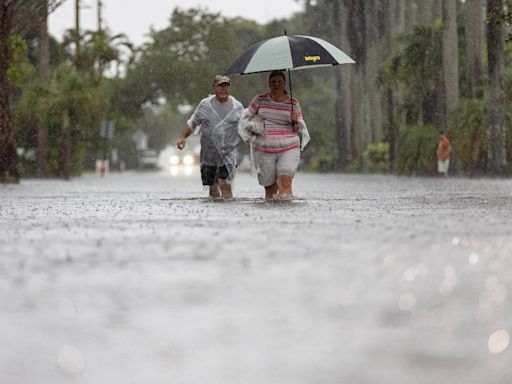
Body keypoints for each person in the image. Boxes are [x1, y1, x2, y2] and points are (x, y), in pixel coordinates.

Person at [240, 70, 310, 200]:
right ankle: (272, 217)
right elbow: (245, 118)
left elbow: (297, 128)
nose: (276, 84)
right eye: (273, 82)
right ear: (269, 84)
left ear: (284, 84)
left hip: (289, 146)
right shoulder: (260, 99)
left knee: (284, 181)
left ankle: (286, 214)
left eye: (280, 82)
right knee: (270, 189)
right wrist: (251, 127)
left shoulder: (293, 103)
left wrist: (295, 120)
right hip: (264, 148)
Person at [177, 75, 244, 199]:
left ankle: (229, 210)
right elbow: (193, 122)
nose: (224, 89)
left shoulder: (237, 107)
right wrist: (183, 137)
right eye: (220, 86)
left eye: (226, 86)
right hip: (209, 154)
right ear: (214, 88)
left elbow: (245, 126)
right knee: (213, 187)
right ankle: (215, 213)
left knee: (225, 183)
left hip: (229, 153)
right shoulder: (205, 105)